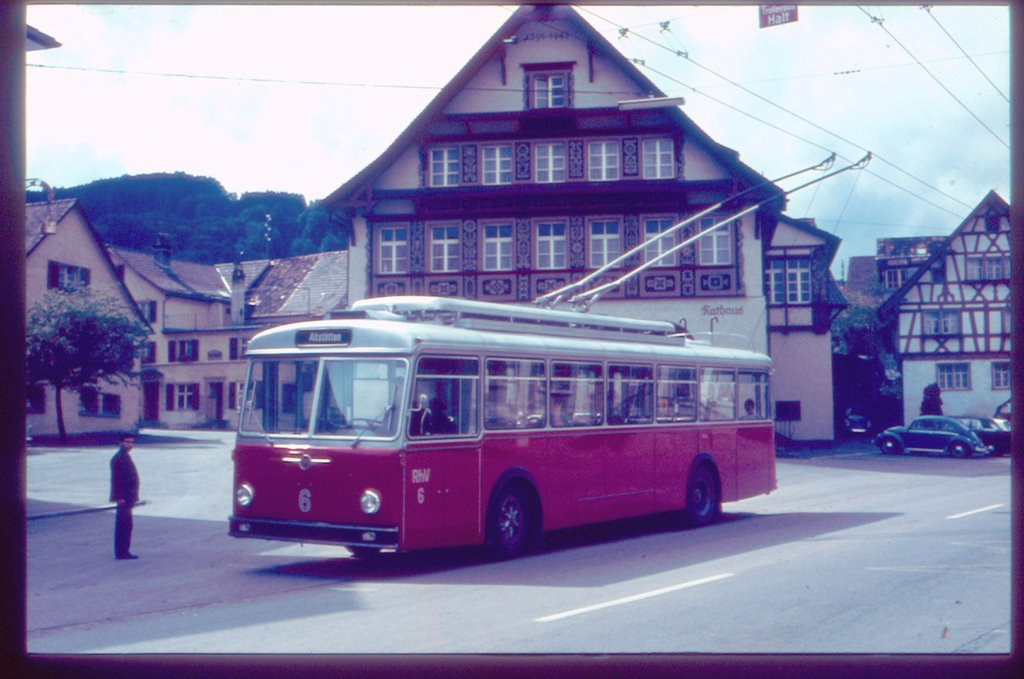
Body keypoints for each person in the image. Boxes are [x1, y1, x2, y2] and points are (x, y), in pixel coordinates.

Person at [109, 434, 140, 560]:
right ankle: (122, 552)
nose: (130, 444)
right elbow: (116, 480)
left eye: (132, 442)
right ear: (120, 443)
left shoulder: (125, 456)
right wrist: (119, 497)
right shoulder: (119, 458)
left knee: (127, 525)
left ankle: (123, 551)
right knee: (123, 525)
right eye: (127, 442)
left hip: (128, 497)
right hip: (124, 497)